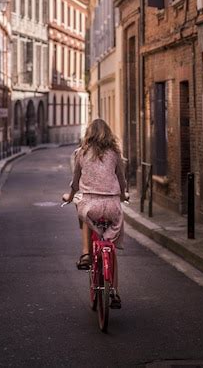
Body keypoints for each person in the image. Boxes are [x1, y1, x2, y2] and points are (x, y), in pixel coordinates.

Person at [63, 118, 126, 309]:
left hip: (90, 205)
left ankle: (85, 254)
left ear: (88, 133)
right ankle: (114, 291)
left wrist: (70, 196)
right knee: (110, 246)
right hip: (112, 206)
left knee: (80, 209)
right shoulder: (115, 153)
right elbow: (121, 180)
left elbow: (75, 183)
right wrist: (122, 195)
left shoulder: (81, 153)